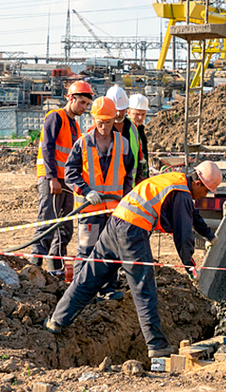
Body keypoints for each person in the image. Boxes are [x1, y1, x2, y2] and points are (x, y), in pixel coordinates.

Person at [44, 161, 221, 358]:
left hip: (116, 222)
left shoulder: (175, 182)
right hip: (133, 231)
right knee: (143, 287)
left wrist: (210, 236)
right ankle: (157, 345)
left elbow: (191, 214)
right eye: (206, 191)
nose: (205, 196)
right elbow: (183, 234)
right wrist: (190, 266)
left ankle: (57, 320)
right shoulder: (182, 192)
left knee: (90, 276)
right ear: (198, 183)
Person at [64, 96, 134, 302]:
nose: (104, 127)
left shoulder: (123, 144)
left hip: (114, 209)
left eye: (108, 123)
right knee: (87, 249)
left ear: (115, 120)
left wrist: (126, 198)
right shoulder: (83, 143)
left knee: (111, 250)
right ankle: (79, 290)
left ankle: (108, 288)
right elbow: (70, 173)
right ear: (93, 119)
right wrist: (85, 191)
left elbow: (129, 174)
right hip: (90, 209)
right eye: (100, 122)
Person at [31, 81, 93, 272]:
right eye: (81, 103)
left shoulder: (74, 124)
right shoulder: (55, 117)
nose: (84, 108)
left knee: (65, 226)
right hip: (52, 180)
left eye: (86, 105)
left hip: (67, 182)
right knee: (48, 221)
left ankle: (55, 268)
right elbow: (47, 148)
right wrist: (52, 178)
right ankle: (34, 266)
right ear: (70, 98)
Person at [106, 86, 145, 183]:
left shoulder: (133, 128)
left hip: (130, 186)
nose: (119, 113)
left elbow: (138, 157)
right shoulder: (101, 129)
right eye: (116, 109)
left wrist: (140, 180)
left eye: (122, 109)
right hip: (110, 188)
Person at [128, 93, 150, 182]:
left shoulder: (140, 129)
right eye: (136, 114)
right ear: (128, 112)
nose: (140, 117)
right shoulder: (126, 130)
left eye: (143, 114)